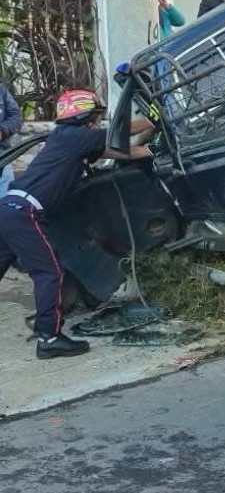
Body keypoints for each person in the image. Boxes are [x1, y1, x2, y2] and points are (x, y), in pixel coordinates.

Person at [0, 90, 155, 359]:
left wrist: (151, 149)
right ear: (84, 116)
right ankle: (49, 339)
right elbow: (123, 130)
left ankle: (47, 333)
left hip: (8, 208)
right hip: (24, 213)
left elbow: (121, 151)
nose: (97, 122)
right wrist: (154, 117)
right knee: (50, 273)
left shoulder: (69, 139)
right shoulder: (78, 136)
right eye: (95, 117)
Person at [0, 81, 23, 195]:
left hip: (3, 158)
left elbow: (16, 117)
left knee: (5, 204)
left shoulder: (1, 90)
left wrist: (3, 131)